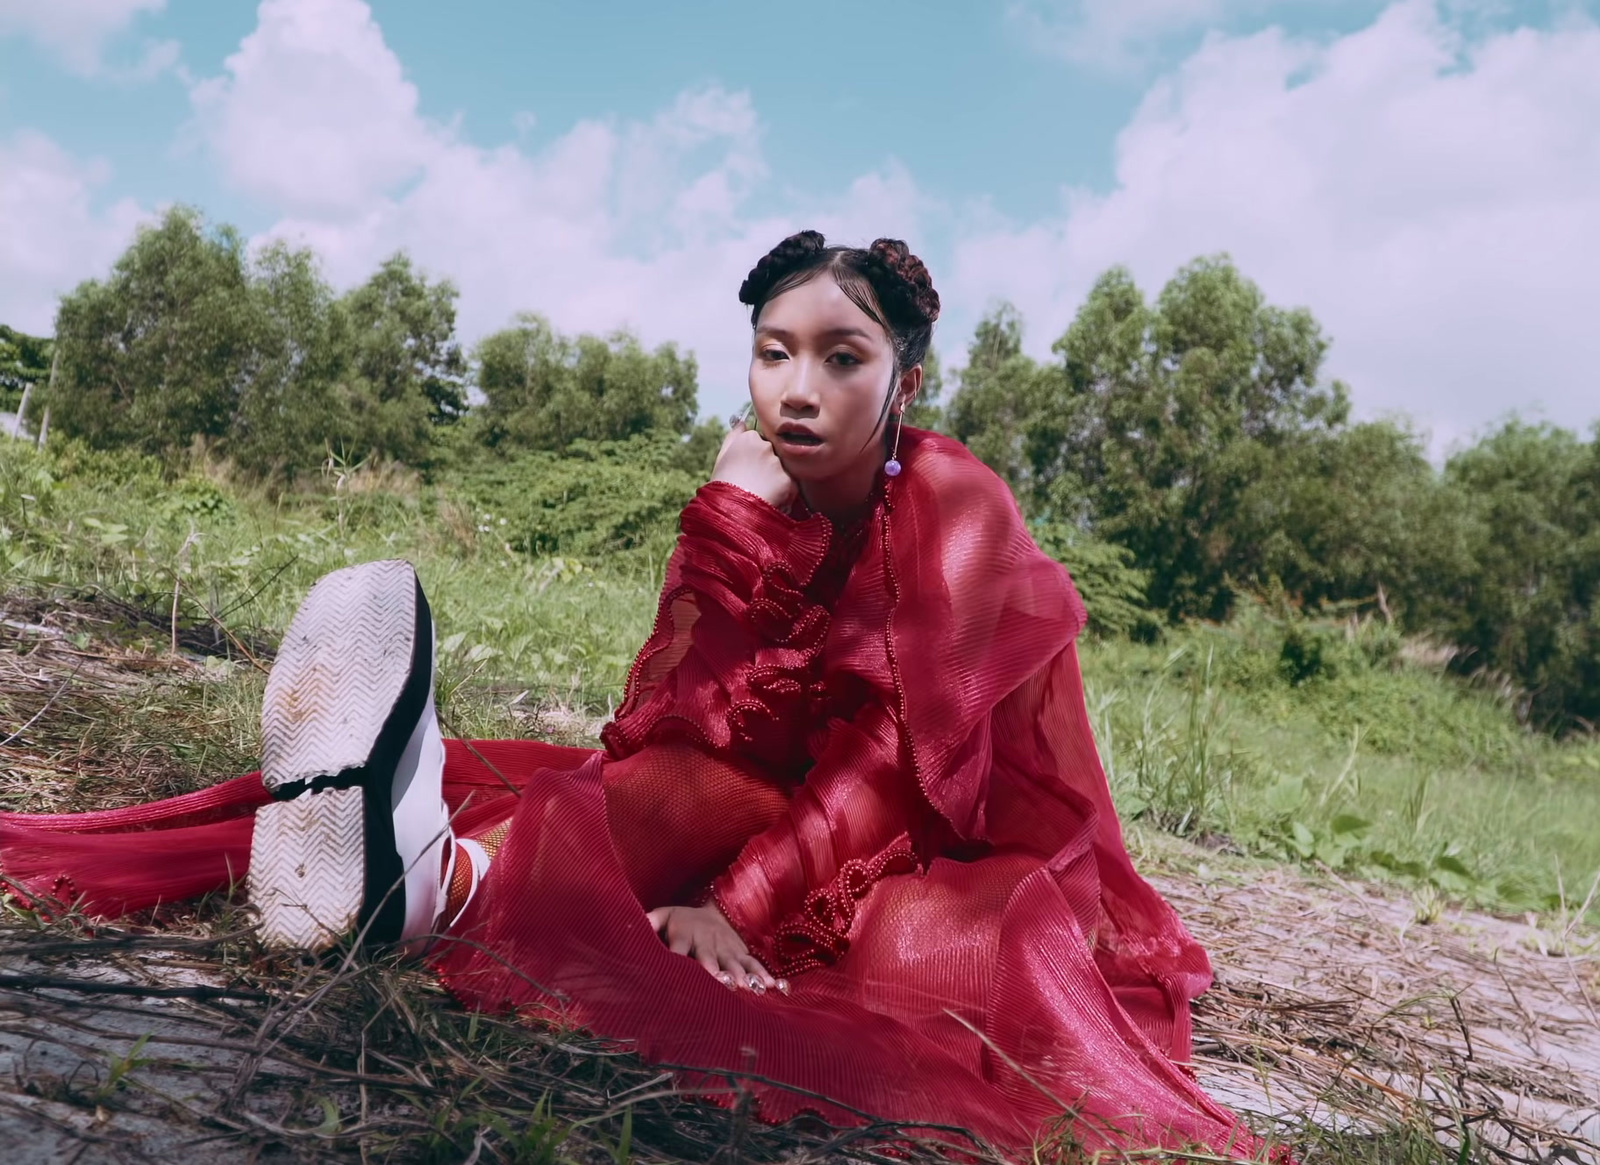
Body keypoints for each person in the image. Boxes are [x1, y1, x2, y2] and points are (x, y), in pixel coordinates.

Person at [0, 231, 1273, 1160]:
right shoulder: (755, 480)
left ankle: (438, 888)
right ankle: (426, 871)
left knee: (917, 954)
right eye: (775, 352)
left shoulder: (953, 506)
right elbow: (674, 721)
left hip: (954, 836)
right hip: (796, 799)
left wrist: (735, 900)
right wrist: (733, 530)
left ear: (907, 380)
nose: (800, 387)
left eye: (843, 355)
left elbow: (895, 759)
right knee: (645, 782)